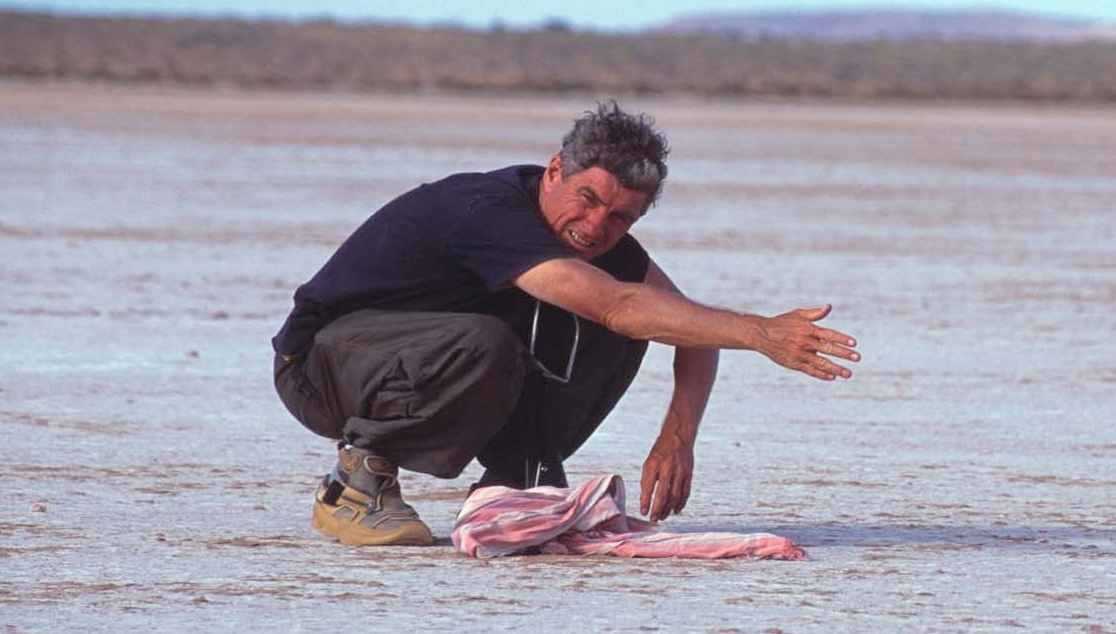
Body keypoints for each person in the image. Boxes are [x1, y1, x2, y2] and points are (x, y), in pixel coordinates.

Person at [272, 101, 860, 546]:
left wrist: (678, 437)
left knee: (639, 314)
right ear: (555, 170)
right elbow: (616, 306)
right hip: (323, 369)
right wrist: (760, 333)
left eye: (621, 216)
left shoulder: (608, 247)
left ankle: (519, 481)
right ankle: (357, 484)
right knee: (512, 335)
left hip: (421, 359)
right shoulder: (488, 213)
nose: (596, 226)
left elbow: (690, 329)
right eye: (588, 198)